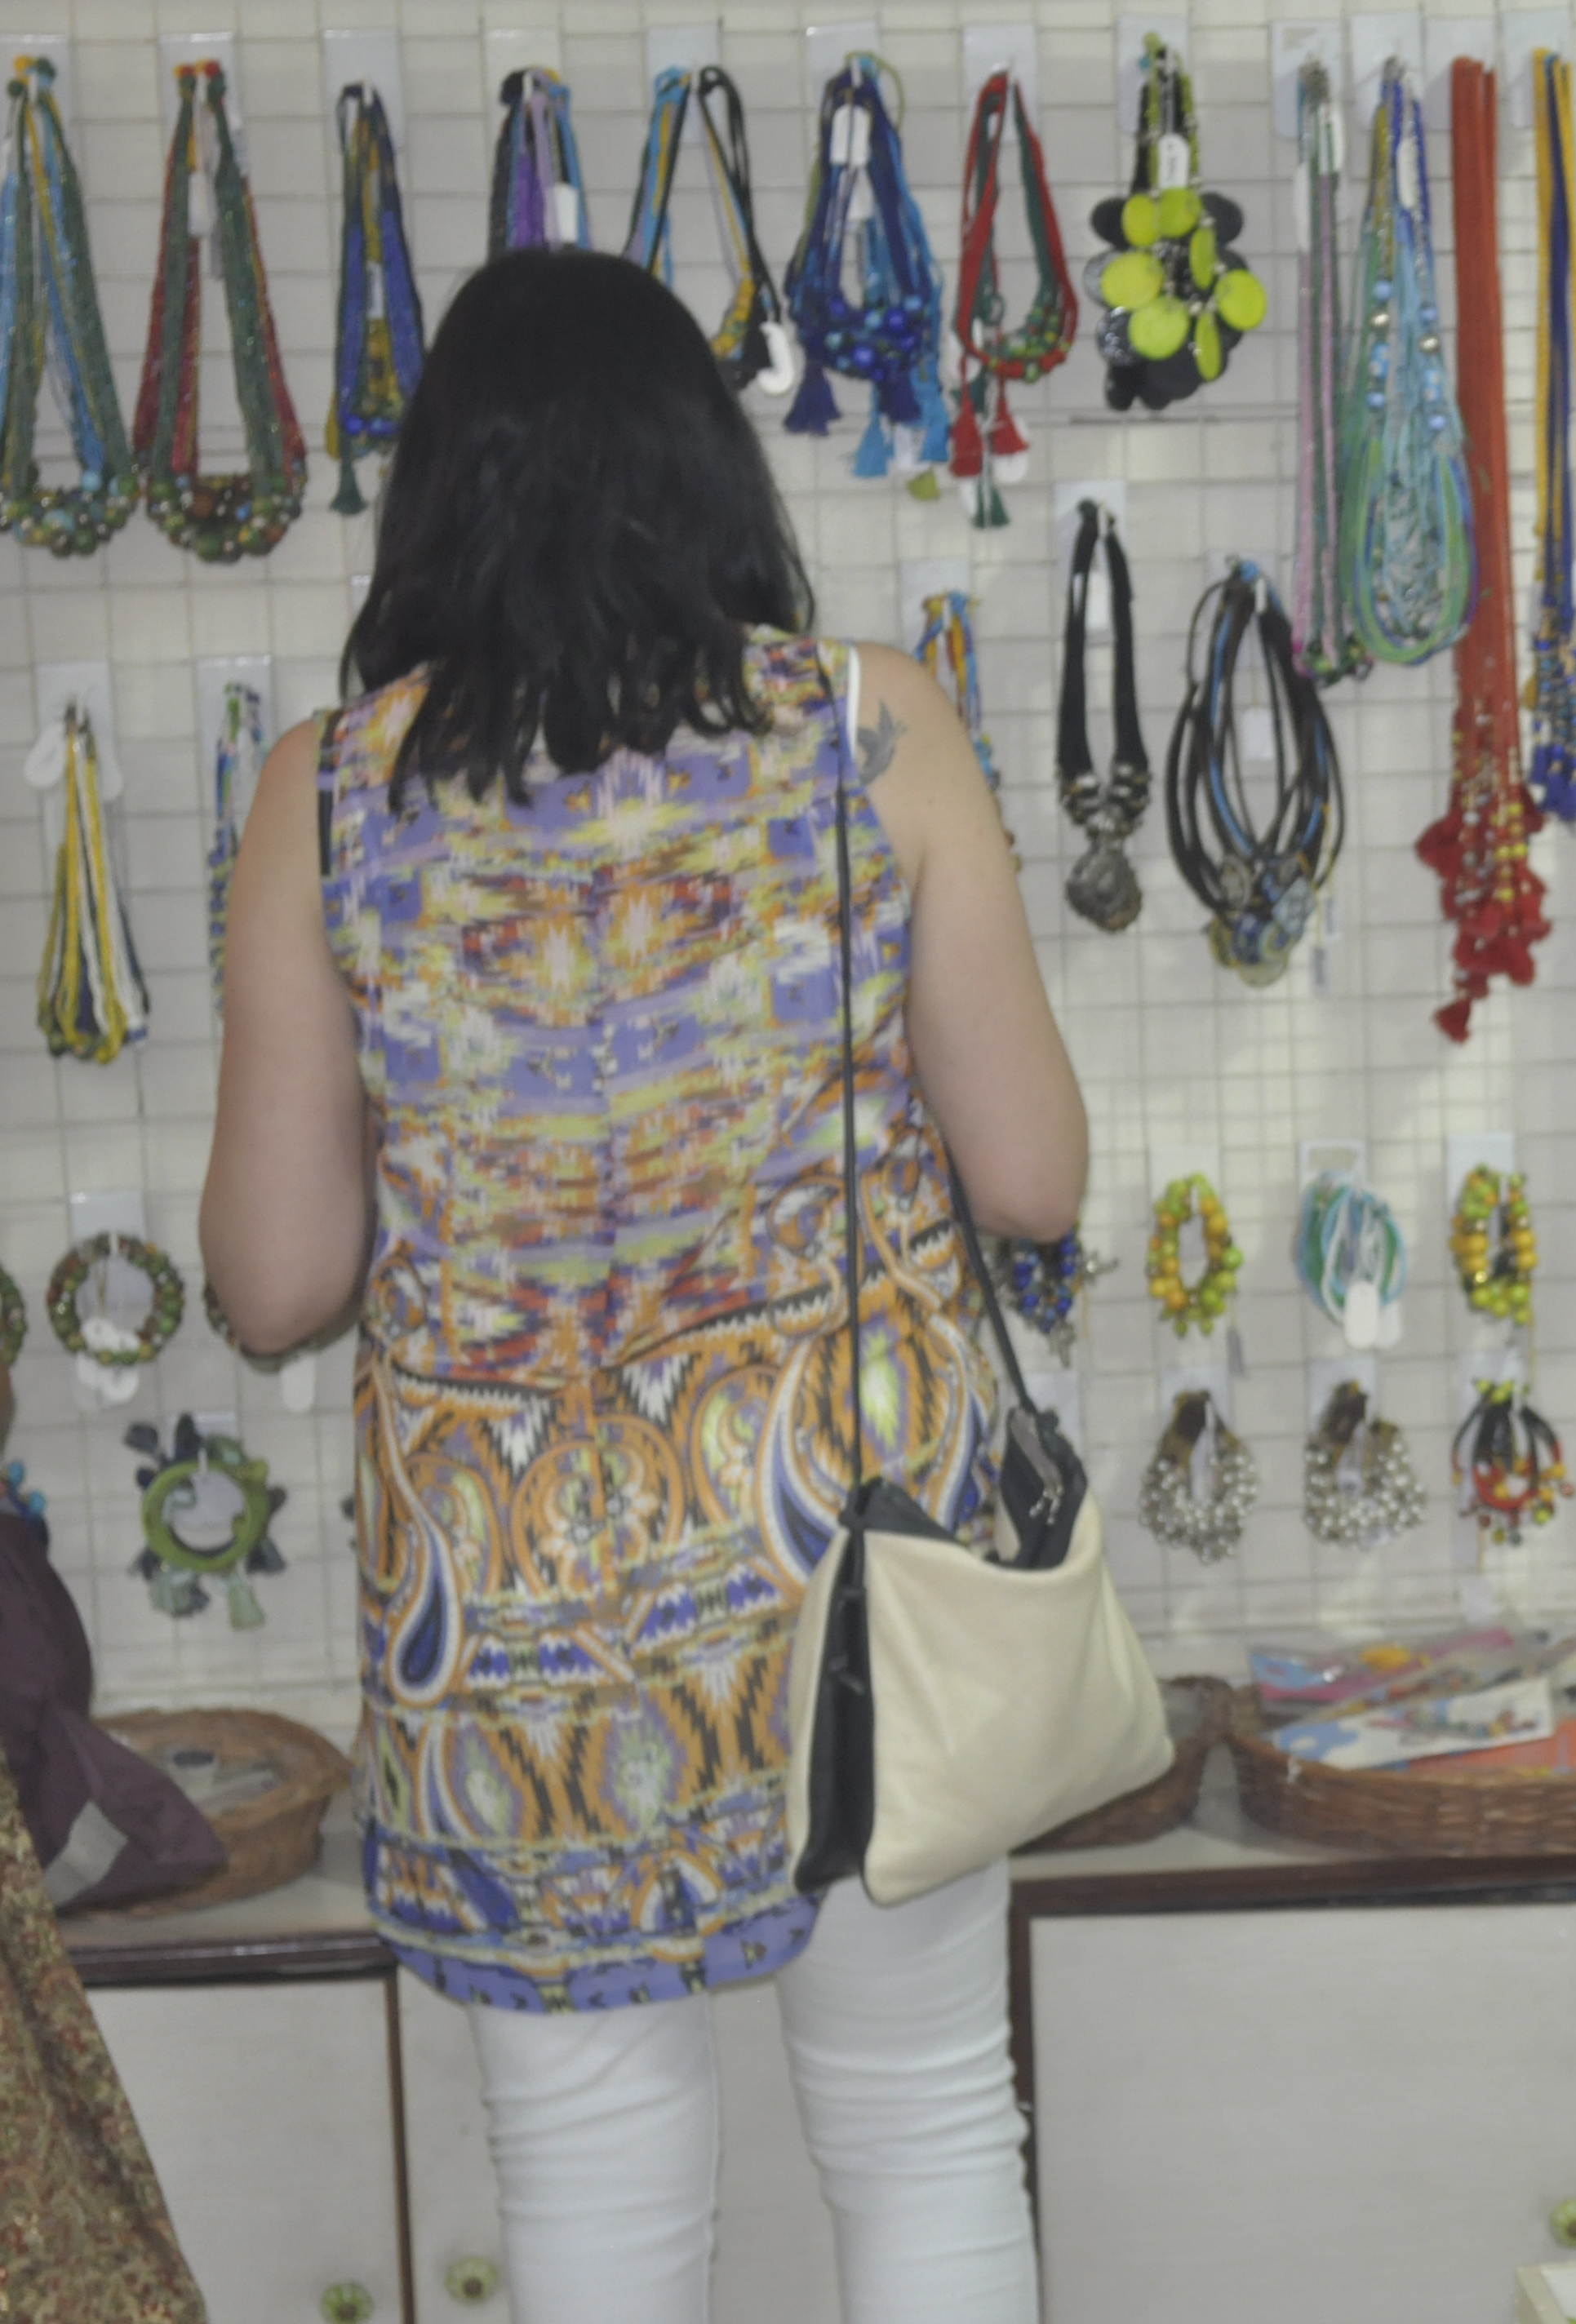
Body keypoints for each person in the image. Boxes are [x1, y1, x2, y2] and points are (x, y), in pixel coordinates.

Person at [199, 250, 1084, 2324]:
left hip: (516, 1621)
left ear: (435, 502)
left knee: (592, 2174)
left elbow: (272, 1279)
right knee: (931, 2121)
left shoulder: (328, 793)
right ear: (710, 480)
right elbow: (1033, 1172)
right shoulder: (872, 730)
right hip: (862, 1579)